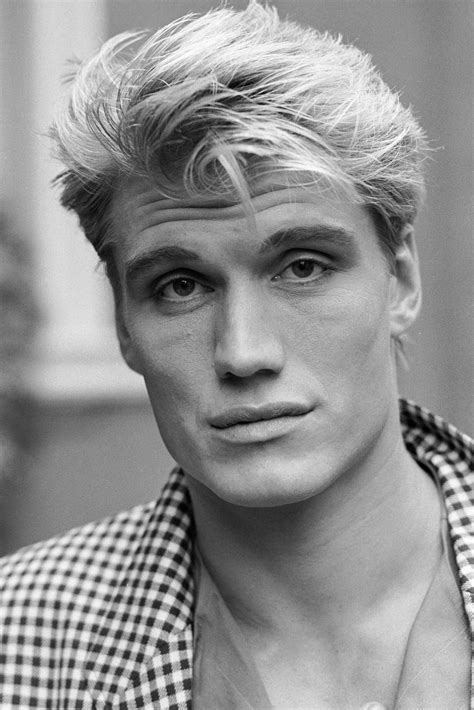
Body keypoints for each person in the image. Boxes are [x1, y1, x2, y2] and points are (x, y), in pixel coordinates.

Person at [1, 2, 472, 707]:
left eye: (303, 268)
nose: (244, 352)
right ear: (123, 324)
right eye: (180, 286)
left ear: (400, 281)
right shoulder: (17, 644)